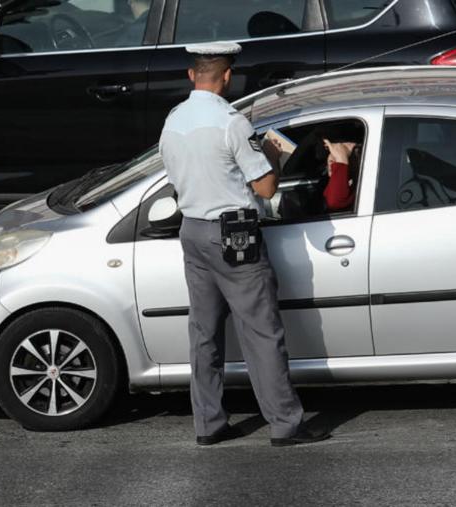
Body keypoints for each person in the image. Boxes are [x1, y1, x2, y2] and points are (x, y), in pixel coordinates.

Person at [159, 42, 331, 447]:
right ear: (226, 77)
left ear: (191, 75)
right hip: (232, 234)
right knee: (261, 332)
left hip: (193, 231)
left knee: (203, 333)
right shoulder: (231, 122)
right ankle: (286, 425)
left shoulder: (173, 120)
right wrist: (269, 155)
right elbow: (266, 186)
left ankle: (209, 425)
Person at [322, 139, 361, 212]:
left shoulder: (359, 184)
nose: (332, 159)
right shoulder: (323, 182)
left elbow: (334, 202)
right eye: (332, 150)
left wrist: (341, 161)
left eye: (338, 152)